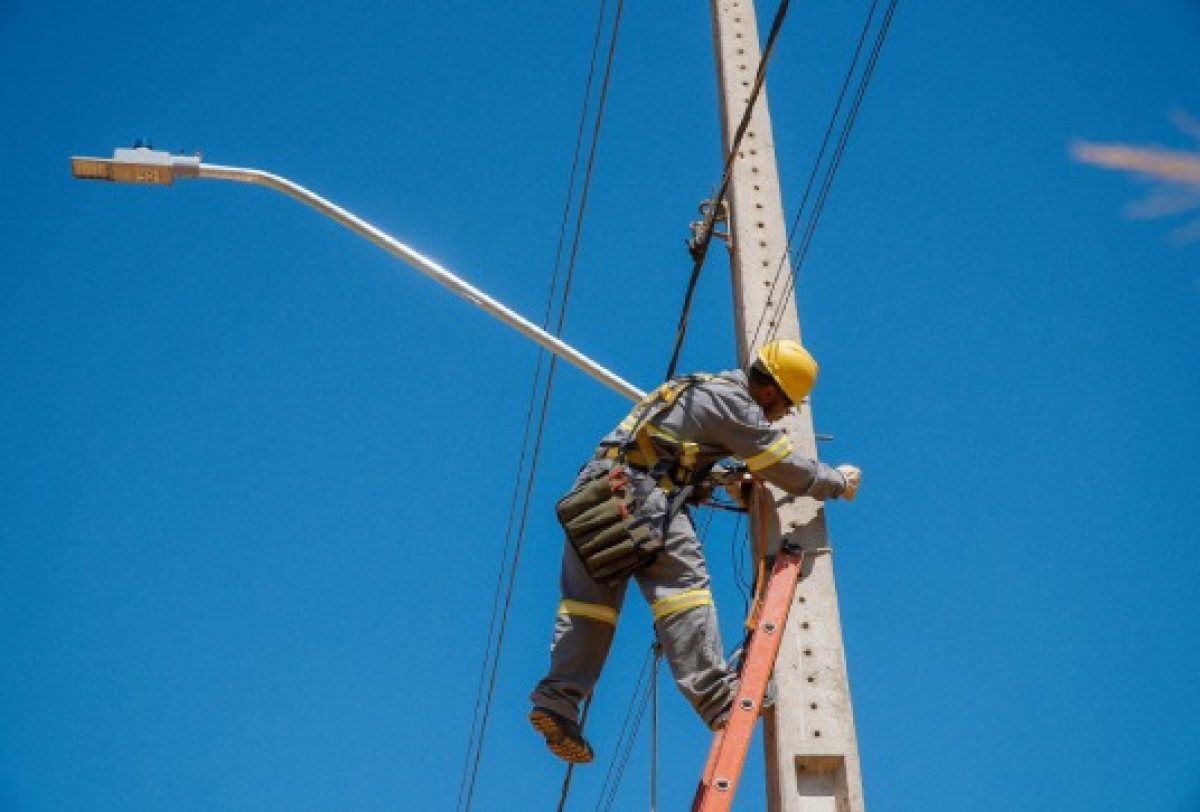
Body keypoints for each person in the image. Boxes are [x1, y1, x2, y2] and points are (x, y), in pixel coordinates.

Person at [528, 339, 861, 764]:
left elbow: (668, 445)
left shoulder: (700, 388)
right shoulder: (734, 404)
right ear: (769, 390)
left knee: (588, 609)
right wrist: (835, 481)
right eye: (785, 407)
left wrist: (703, 480)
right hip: (640, 496)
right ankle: (717, 697)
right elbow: (779, 464)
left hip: (595, 494)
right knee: (684, 588)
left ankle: (556, 702)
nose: (781, 416)